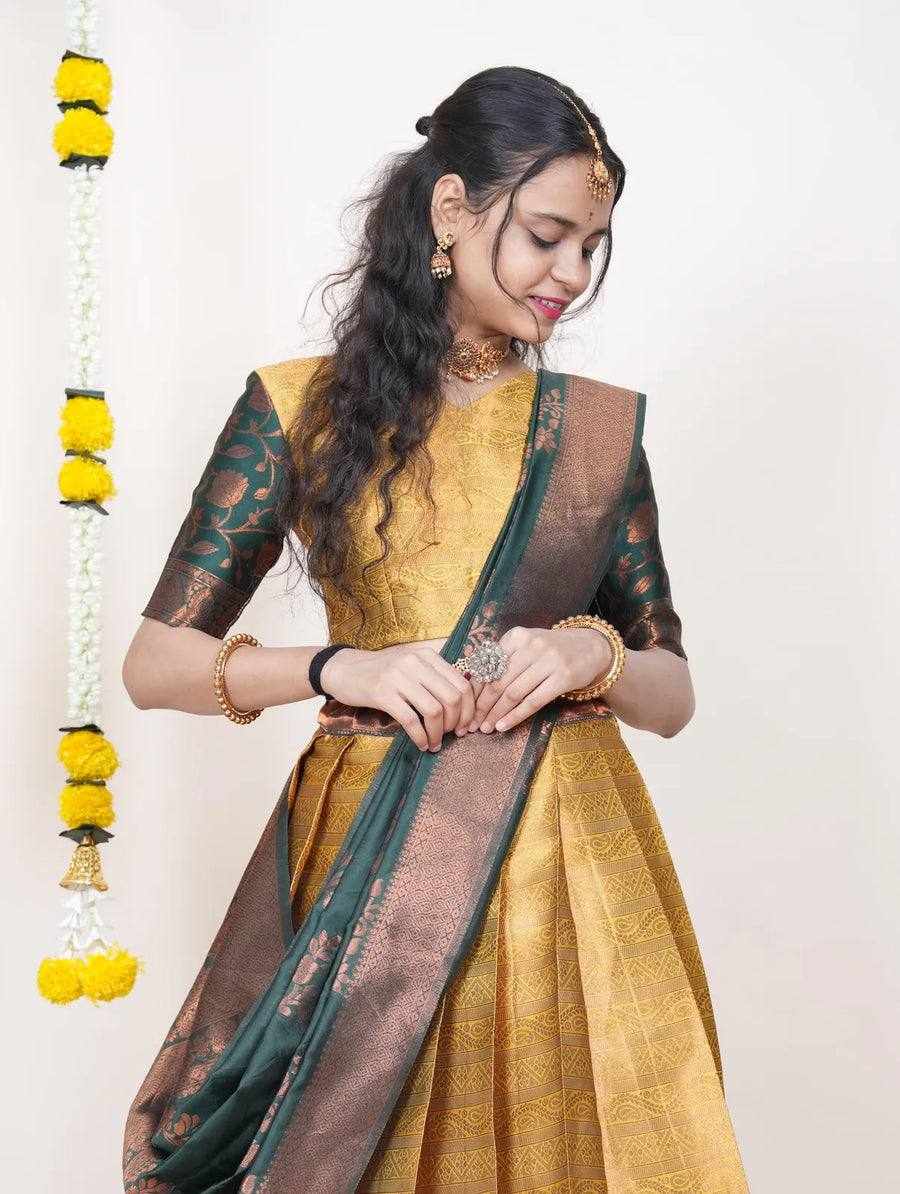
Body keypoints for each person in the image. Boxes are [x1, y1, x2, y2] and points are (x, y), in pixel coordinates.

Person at [121, 66, 749, 1194]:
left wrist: (595, 652)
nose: (572, 276)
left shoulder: (594, 433)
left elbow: (674, 692)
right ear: (451, 209)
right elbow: (154, 664)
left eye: (592, 248)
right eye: (547, 237)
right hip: (373, 864)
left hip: (571, 871)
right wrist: (340, 666)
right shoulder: (297, 408)